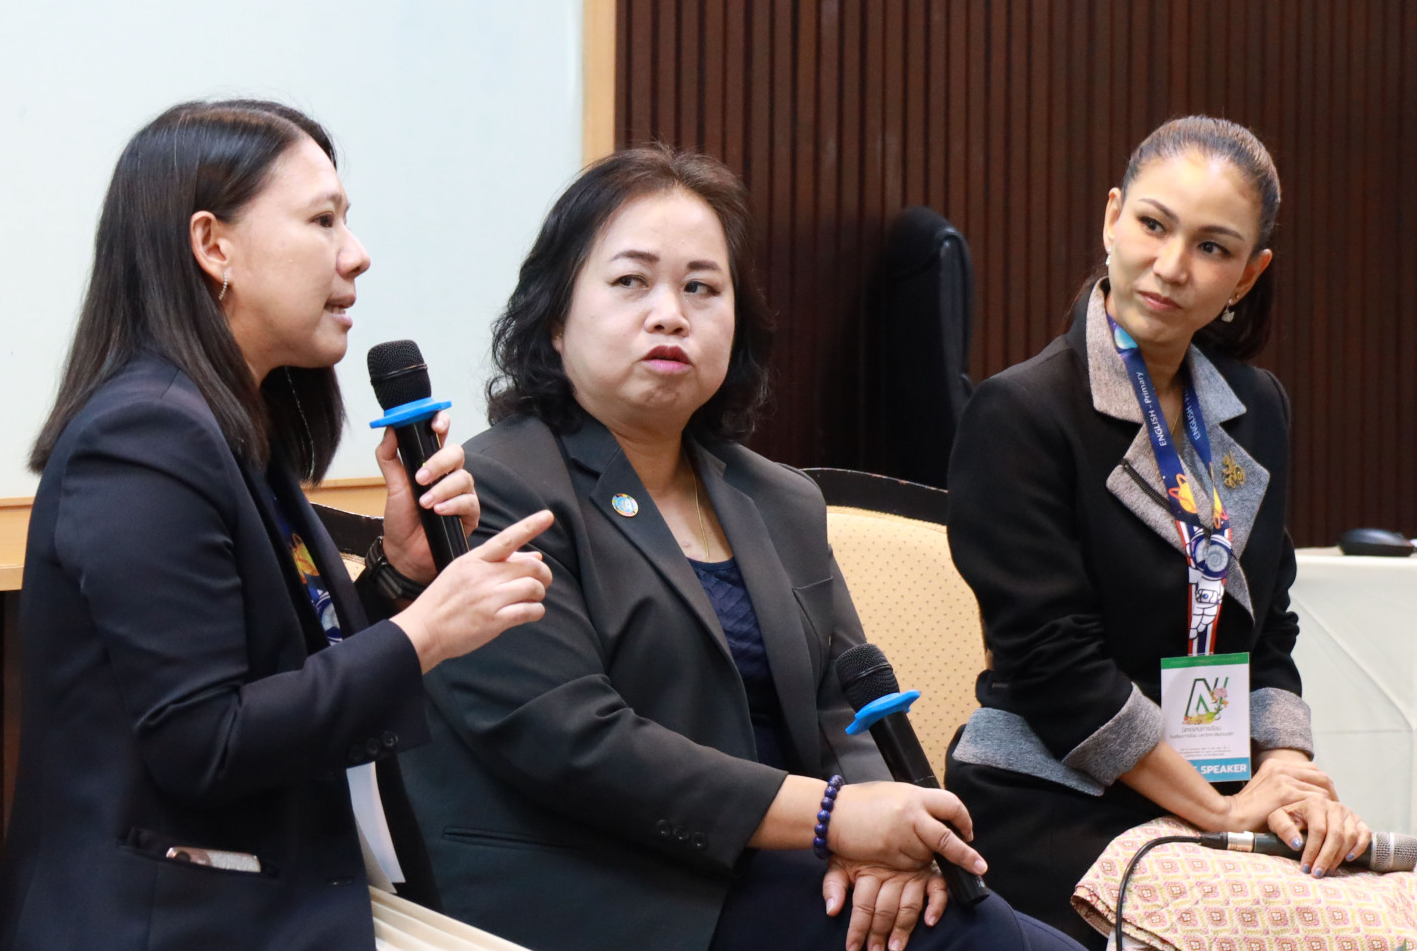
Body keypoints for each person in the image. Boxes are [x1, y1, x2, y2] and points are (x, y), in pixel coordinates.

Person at [401, 147, 1080, 951]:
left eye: (701, 288)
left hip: (779, 866)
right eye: (631, 282)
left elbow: (847, 705)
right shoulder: (496, 487)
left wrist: (882, 843)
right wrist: (834, 817)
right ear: (554, 318)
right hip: (603, 883)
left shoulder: (779, 498)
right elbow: (576, 742)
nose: (670, 315)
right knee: (979, 940)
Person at [0, 100, 555, 951]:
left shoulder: (224, 426)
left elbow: (281, 669)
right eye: (323, 221)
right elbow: (205, 743)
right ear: (213, 246)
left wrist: (400, 575)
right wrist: (425, 634)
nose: (356, 255)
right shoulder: (144, 437)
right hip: (173, 922)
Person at [943, 116, 1372, 947]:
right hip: (1052, 800)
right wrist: (1220, 810)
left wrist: (1287, 768)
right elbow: (1054, 668)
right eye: (1152, 224)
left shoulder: (1256, 410)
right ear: (1112, 218)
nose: (1172, 266)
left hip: (1211, 790)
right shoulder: (1021, 412)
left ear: (1248, 274)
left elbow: (1266, 625)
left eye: (1212, 248)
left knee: (1388, 908)